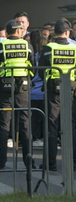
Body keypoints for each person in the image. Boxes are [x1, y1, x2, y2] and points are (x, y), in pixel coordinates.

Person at [0, 19, 35, 170]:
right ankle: (29, 161)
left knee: (3, 124)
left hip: (5, 89)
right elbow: (33, 68)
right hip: (23, 89)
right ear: (18, 31)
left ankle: (0, 162)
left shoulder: (0, 46)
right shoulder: (27, 46)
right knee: (25, 124)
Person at [38, 20, 76, 171]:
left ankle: (50, 163)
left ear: (55, 33)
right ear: (67, 33)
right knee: (71, 126)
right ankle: (73, 162)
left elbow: (40, 72)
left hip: (53, 92)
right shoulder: (74, 49)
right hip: (71, 91)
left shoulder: (48, 49)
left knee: (51, 126)